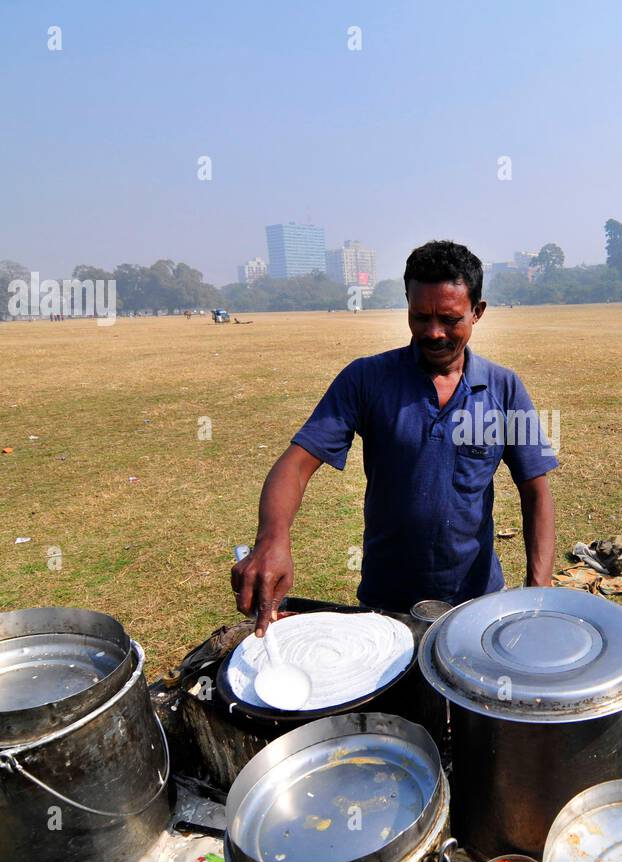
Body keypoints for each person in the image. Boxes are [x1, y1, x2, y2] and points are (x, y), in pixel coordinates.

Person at [232, 240, 558, 635]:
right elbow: (297, 464)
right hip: (386, 603)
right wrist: (271, 540)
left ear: (478, 311)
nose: (434, 333)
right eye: (421, 317)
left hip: (477, 600)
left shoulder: (504, 389)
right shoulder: (366, 379)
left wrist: (538, 592)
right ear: (406, 304)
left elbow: (535, 491)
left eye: (450, 319)